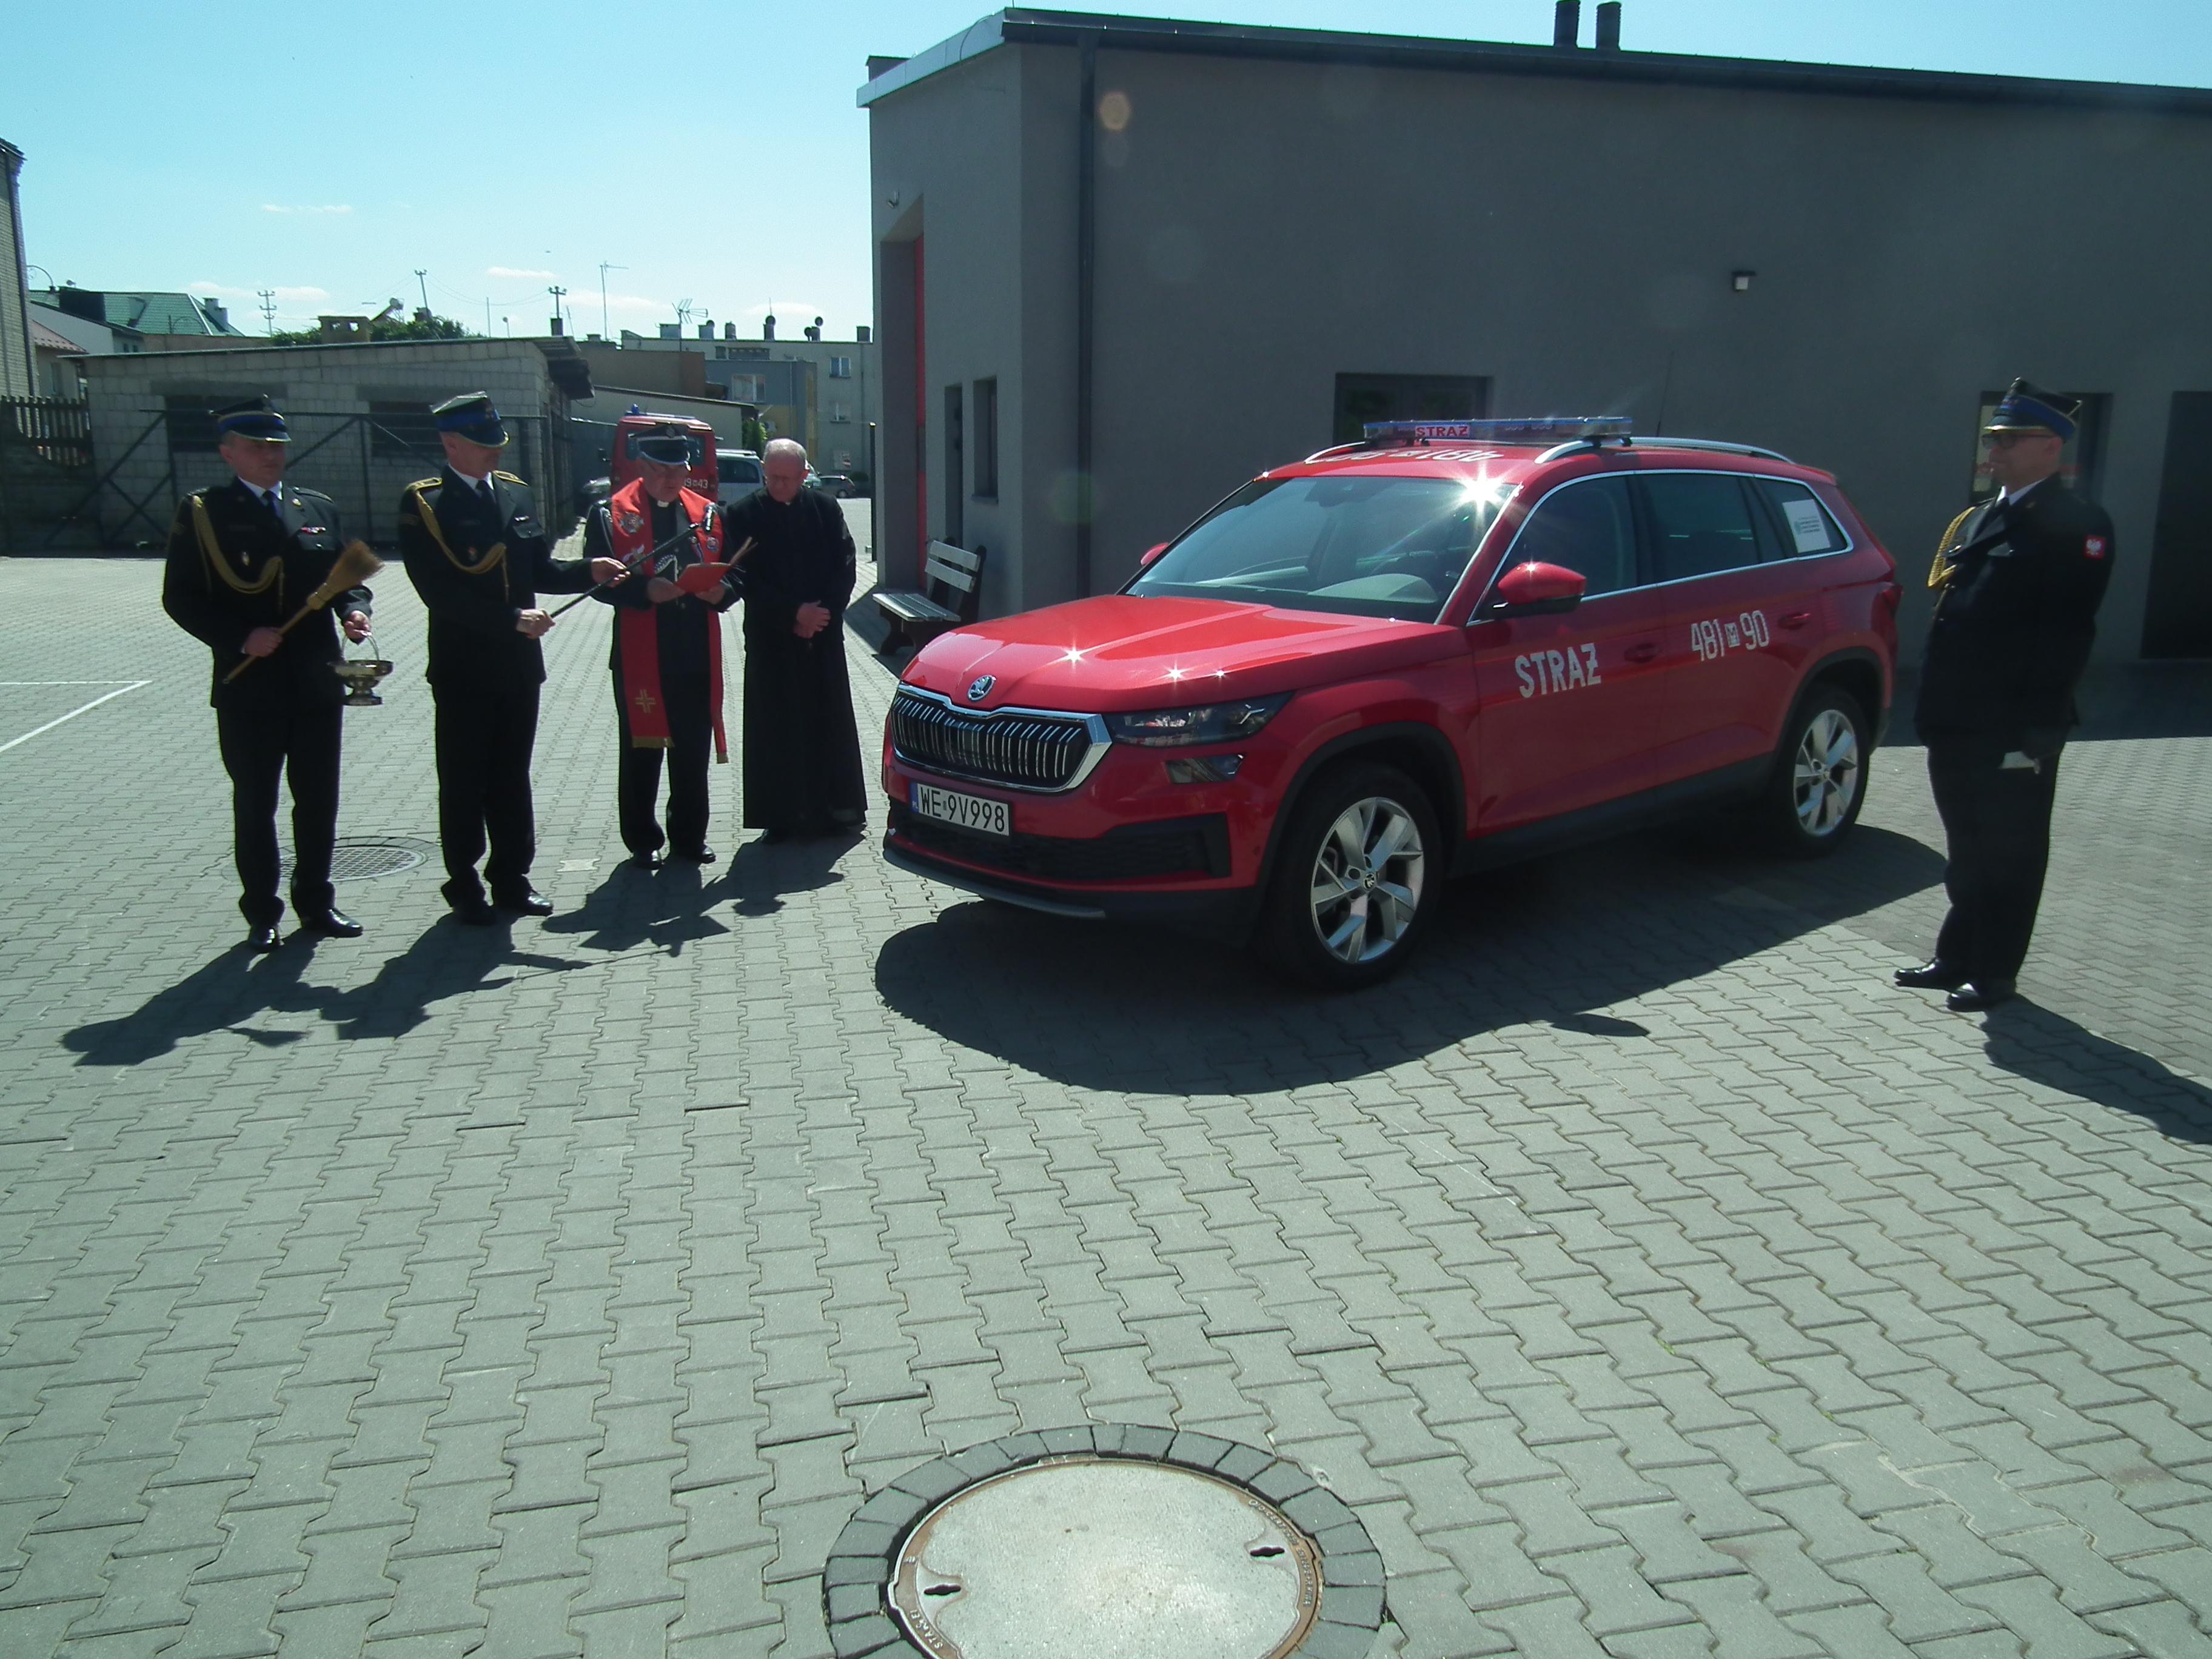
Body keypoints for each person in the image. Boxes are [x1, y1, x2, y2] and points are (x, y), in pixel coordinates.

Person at [1896, 379, 2115, 1012]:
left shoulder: (2077, 524)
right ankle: (1956, 954)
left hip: (2015, 723)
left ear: (2051, 446)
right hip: (1958, 718)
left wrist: (2042, 722)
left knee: (2010, 852)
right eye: (1993, 436)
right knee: (1967, 848)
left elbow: (2068, 631)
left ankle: (1994, 972)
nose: (1994, 449)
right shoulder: (1983, 515)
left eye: (2010, 439)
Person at [398, 392, 623, 923]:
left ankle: (511, 877)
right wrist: (511, 620)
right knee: (464, 779)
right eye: (482, 443)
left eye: (496, 441)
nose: (495, 451)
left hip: (518, 665)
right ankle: (464, 883)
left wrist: (588, 570)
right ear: (451, 444)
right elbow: (439, 593)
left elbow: (538, 570)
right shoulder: (425, 504)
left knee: (511, 775)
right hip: (463, 667)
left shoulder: (515, 493)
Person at [161, 395, 374, 951]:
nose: (270, 455)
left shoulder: (315, 508)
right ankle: (262, 912)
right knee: (257, 802)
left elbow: (345, 579)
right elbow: (180, 597)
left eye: (277, 445)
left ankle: (317, 902)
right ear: (228, 452)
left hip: (315, 682)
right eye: (256, 446)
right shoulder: (204, 512)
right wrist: (240, 637)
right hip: (250, 683)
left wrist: (354, 611)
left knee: (318, 800)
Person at [585, 429, 740, 867]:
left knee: (692, 749)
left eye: (679, 470)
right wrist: (642, 591)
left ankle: (689, 837)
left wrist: (723, 592)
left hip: (694, 648)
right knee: (642, 748)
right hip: (641, 649)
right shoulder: (610, 514)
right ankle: (642, 839)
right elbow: (596, 581)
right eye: (661, 470)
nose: (671, 480)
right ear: (641, 466)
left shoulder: (707, 514)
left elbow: (734, 572)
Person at [721, 438, 867, 841]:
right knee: (776, 724)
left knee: (827, 719)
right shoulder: (743, 513)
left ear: (805, 475)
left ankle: (836, 810)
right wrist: (793, 613)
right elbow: (744, 577)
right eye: (772, 477)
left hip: (822, 632)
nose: (779, 486)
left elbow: (846, 564)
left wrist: (822, 613)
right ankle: (781, 817)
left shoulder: (825, 508)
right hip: (771, 635)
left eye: (787, 479)